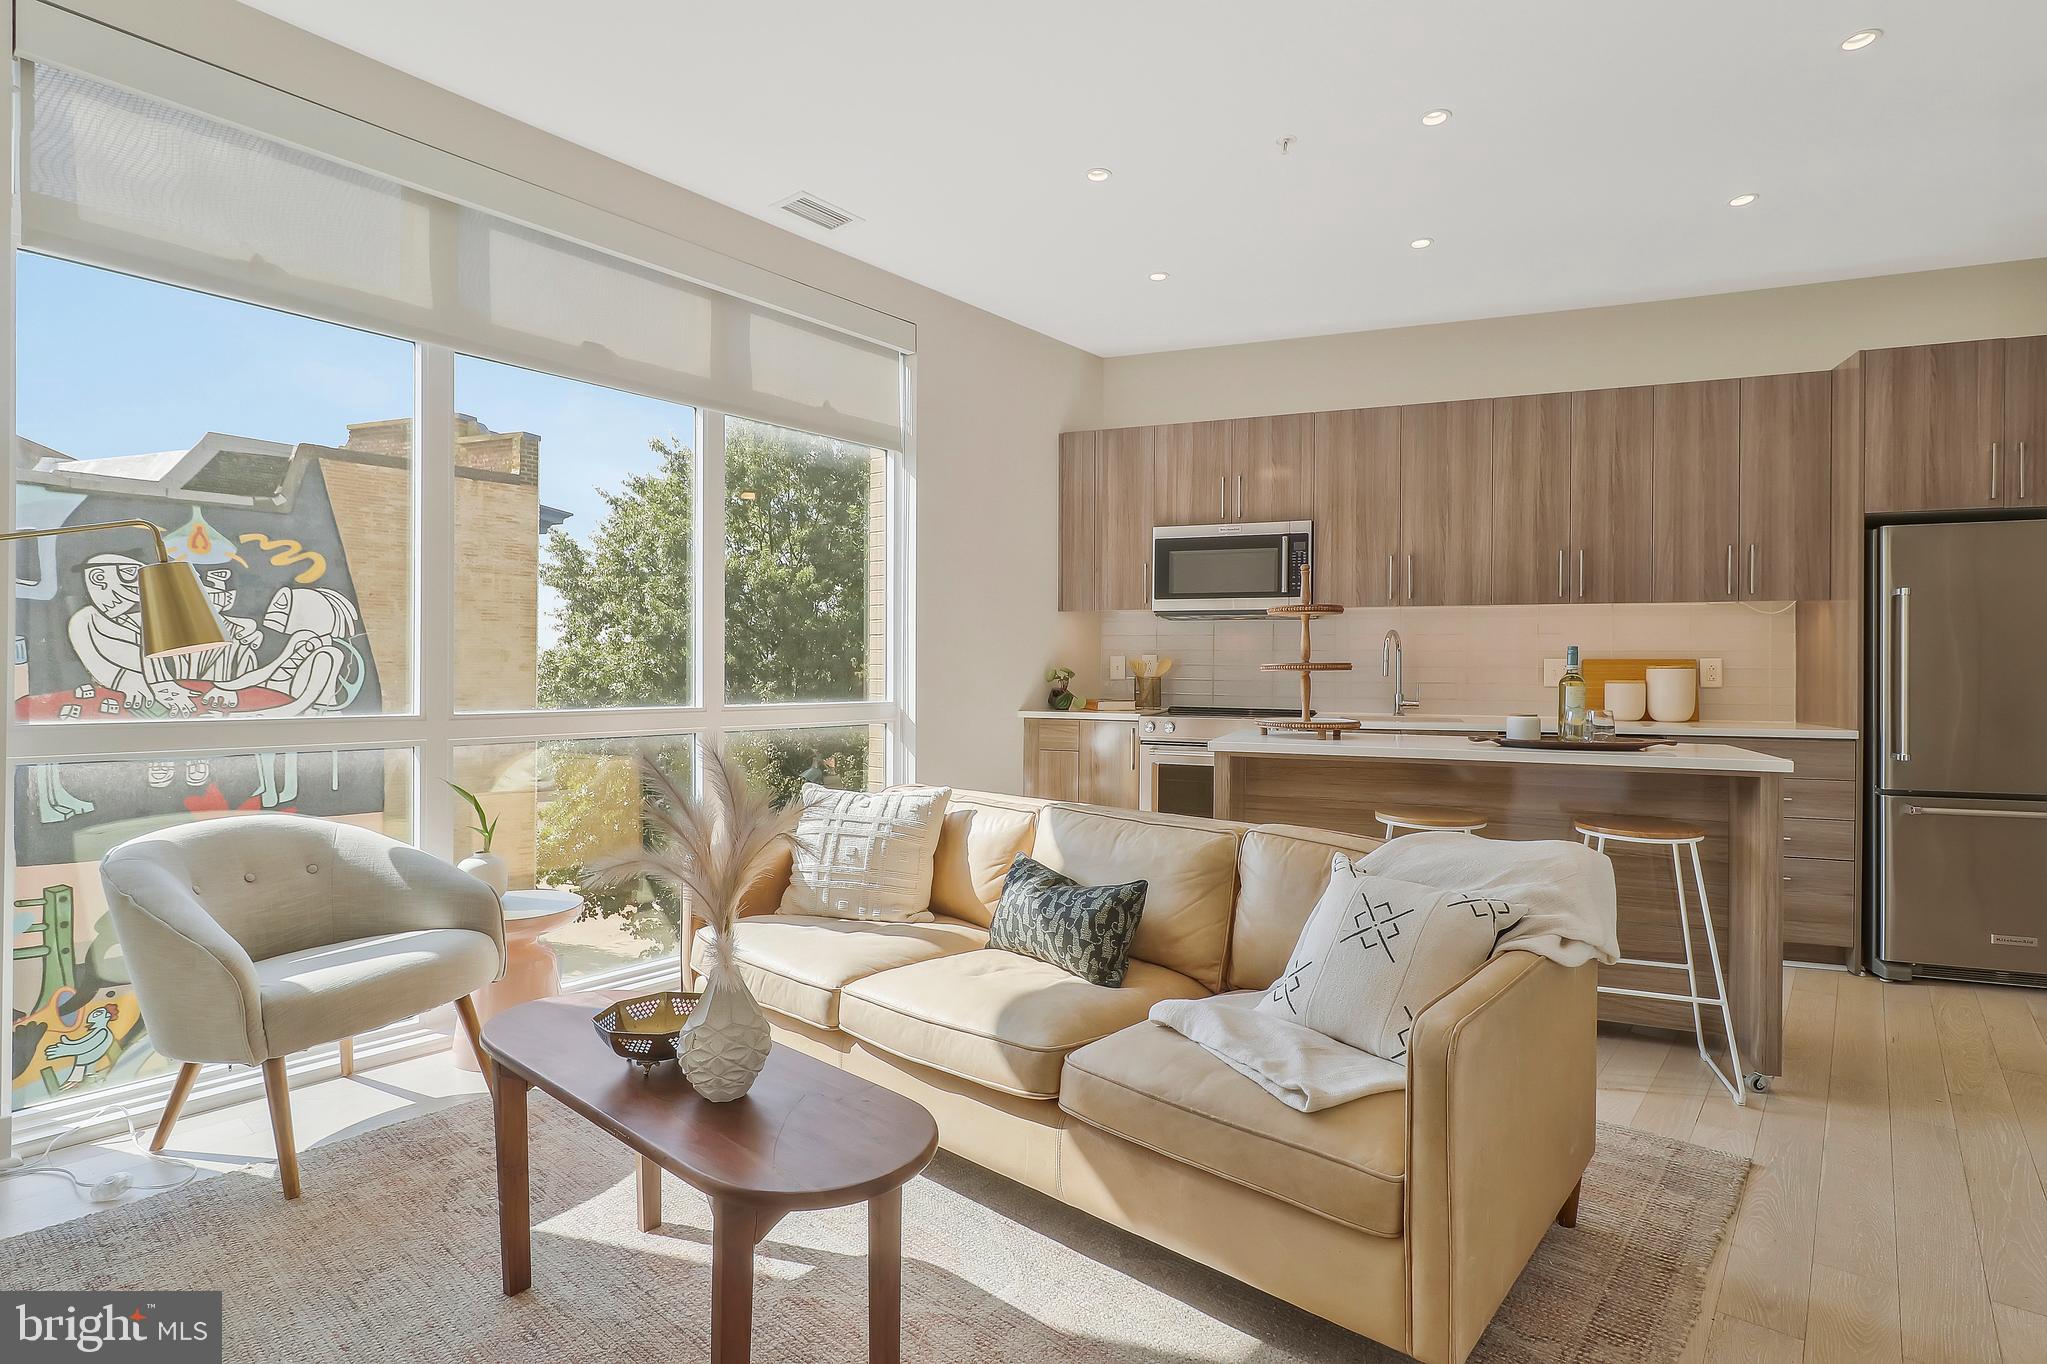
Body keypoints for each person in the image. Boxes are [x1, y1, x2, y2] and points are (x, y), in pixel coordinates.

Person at [66, 553, 196, 715]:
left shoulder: (153, 615)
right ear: (98, 577)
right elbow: (96, 664)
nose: (142, 580)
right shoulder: (84, 620)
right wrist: (133, 682)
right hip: (127, 706)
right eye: (131, 573)